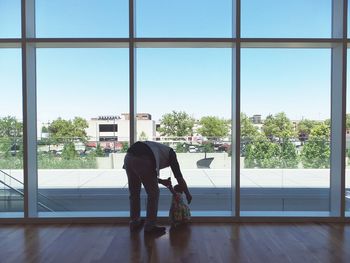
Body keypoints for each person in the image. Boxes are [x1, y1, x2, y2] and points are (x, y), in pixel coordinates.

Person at [123, 141, 192, 234]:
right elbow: (179, 176)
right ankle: (150, 226)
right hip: (142, 159)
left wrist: (162, 181)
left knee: (134, 193)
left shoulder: (158, 149)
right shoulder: (171, 155)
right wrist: (187, 193)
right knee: (154, 193)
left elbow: (147, 174)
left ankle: (134, 222)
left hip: (128, 157)